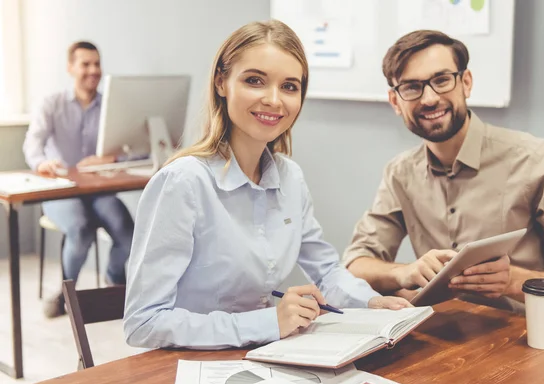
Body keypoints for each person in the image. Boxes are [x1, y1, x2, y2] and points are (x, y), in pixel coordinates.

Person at [123, 20, 410, 350]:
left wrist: (373, 303)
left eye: (289, 86)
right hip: (187, 367)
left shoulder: (291, 177)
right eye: (255, 81)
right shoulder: (182, 182)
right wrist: (267, 322)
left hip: (262, 356)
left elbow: (327, 270)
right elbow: (143, 323)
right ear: (221, 82)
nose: (274, 100)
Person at [342, 30, 544, 324]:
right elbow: (353, 266)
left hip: (532, 349)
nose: (429, 98)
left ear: (466, 83)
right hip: (441, 347)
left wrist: (513, 281)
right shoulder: (400, 172)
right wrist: (404, 272)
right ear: (395, 101)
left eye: (441, 80)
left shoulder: (539, 161)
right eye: (412, 87)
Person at [23, 41, 134, 318]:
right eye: (85, 64)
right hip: (61, 191)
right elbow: (32, 144)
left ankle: (114, 284)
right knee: (81, 229)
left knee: (128, 232)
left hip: (99, 191)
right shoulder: (52, 104)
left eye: (97, 63)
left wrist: (111, 159)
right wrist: (42, 162)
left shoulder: (111, 105)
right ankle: (66, 295)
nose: (93, 70)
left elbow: (136, 147)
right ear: (70, 68)